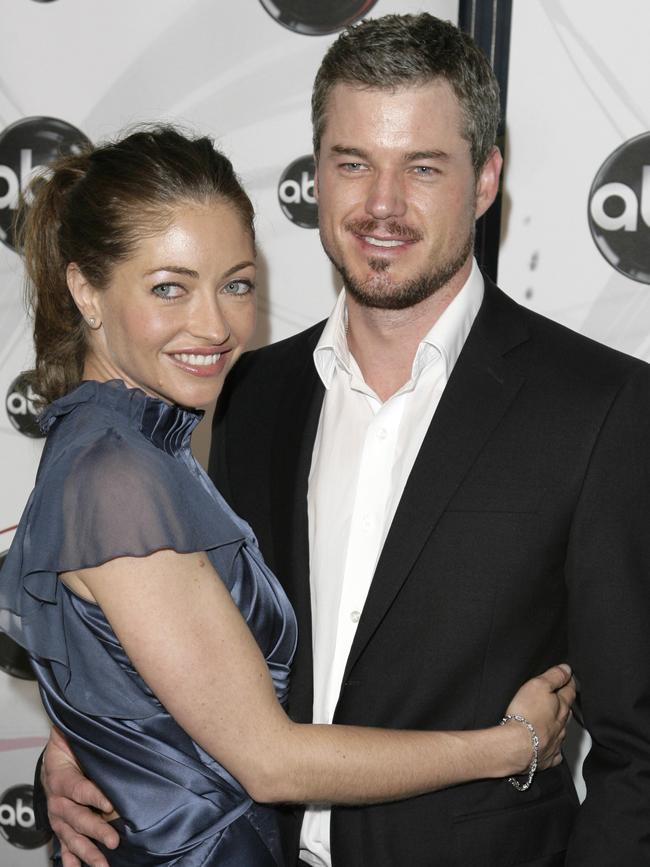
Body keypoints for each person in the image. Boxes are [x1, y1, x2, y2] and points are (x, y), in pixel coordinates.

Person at [38, 11, 650, 867]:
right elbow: (188, 662)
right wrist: (79, 753)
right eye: (353, 162)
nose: (382, 206)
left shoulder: (599, 408)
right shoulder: (245, 391)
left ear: (484, 182)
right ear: (316, 174)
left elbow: (640, 756)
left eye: (423, 167)